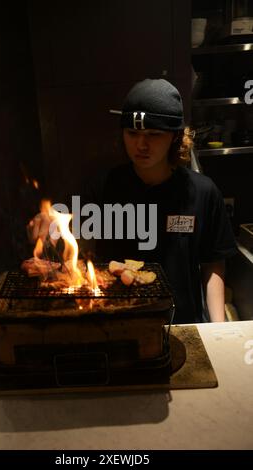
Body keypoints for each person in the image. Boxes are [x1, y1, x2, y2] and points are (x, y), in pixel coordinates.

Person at [28, 78, 237, 324]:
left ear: (175, 137)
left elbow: (213, 265)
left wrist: (218, 328)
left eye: (154, 134)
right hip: (117, 322)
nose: (141, 145)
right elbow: (70, 234)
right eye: (133, 133)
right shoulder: (103, 187)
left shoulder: (202, 191)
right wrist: (50, 224)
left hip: (182, 322)